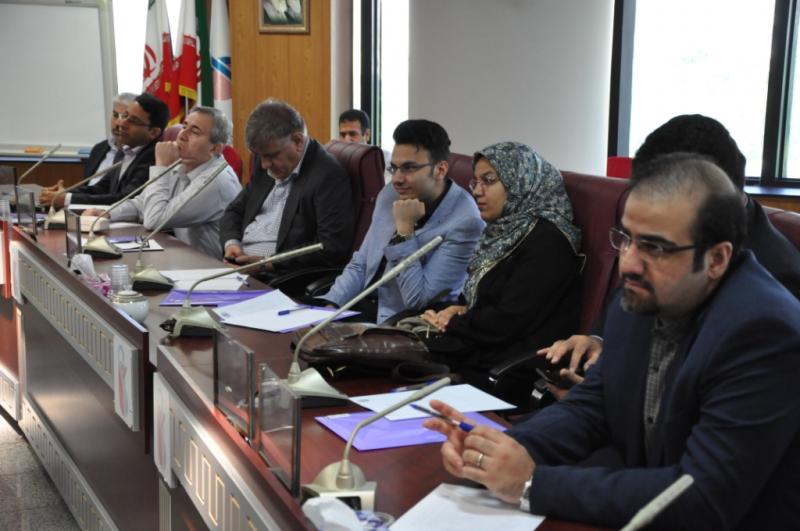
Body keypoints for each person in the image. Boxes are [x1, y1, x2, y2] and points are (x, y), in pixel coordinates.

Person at [426, 153, 800, 530]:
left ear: (717, 258)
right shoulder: (640, 295)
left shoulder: (763, 331)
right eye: (627, 239)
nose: (629, 264)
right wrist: (502, 450)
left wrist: (530, 484)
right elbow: (593, 405)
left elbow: (703, 497)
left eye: (655, 248)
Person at [539, 114, 800, 388]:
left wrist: (602, 398)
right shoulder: (654, 241)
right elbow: (629, 309)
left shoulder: (778, 287)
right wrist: (597, 342)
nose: (629, 263)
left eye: (653, 247)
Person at [418, 142, 581, 389]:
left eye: (489, 180)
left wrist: (452, 323)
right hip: (480, 351)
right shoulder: (503, 232)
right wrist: (457, 309)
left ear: (521, 182)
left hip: (506, 369)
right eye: (475, 182)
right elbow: (486, 297)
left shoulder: (548, 241)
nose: (477, 191)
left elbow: (508, 321)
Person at [323, 119, 484, 323]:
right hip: (358, 305)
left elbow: (419, 301)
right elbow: (361, 264)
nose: (397, 179)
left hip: (396, 322)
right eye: (394, 168)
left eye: (409, 168)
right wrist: (330, 306)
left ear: (441, 170)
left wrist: (405, 232)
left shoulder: (466, 223)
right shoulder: (390, 194)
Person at [84, 106, 240, 259]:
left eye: (194, 131)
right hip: (183, 259)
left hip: (210, 267)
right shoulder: (183, 163)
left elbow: (154, 220)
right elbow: (142, 203)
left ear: (215, 148)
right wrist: (108, 213)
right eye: (184, 126)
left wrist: (161, 167)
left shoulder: (216, 182)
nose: (182, 135)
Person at [219, 99, 354, 273]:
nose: (264, 165)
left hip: (279, 277)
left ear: (298, 141)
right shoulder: (266, 161)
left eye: (271, 156)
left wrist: (267, 264)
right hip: (237, 268)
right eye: (260, 156)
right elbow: (234, 211)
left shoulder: (327, 175)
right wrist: (232, 244)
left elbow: (331, 247)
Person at [40, 93, 168, 208]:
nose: (121, 123)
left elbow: (124, 199)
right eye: (125, 116)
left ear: (153, 132)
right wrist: (64, 193)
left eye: (133, 121)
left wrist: (67, 199)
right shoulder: (125, 151)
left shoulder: (154, 158)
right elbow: (101, 188)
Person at [338, 108, 391, 182]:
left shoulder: (384, 158)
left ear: (367, 135)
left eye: (352, 134)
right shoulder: (336, 159)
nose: (346, 140)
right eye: (343, 135)